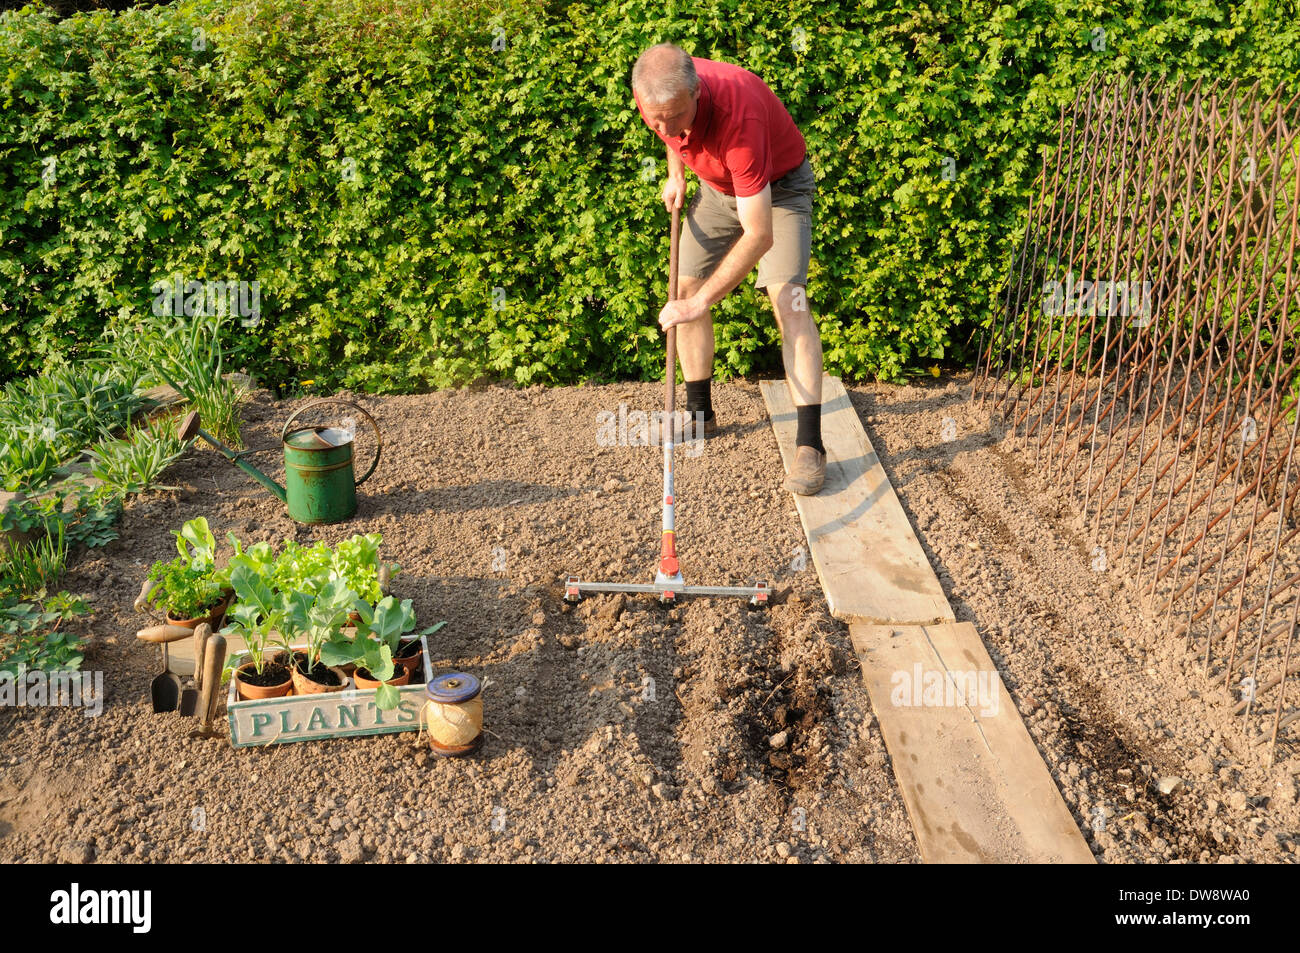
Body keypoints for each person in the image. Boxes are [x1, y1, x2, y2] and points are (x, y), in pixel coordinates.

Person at [632, 42, 826, 495]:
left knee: (788, 299)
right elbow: (669, 132)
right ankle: (701, 416)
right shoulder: (660, 91)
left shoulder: (740, 119)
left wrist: (700, 303)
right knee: (684, 287)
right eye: (654, 118)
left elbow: (758, 235)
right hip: (719, 187)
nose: (665, 128)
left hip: (778, 190)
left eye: (675, 117)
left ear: (697, 93)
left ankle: (811, 445)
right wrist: (676, 174)